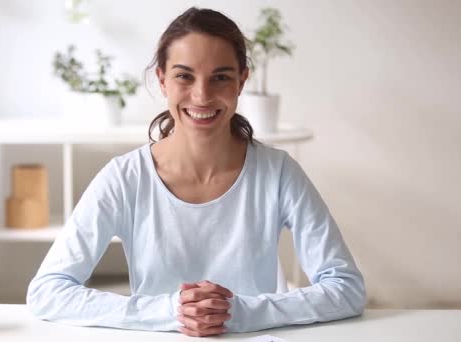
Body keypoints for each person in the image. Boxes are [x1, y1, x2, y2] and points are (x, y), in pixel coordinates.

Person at [27, 7, 365, 337]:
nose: (202, 96)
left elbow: (346, 287)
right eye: (184, 76)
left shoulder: (278, 173)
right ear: (162, 79)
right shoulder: (124, 178)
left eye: (220, 77)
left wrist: (241, 312)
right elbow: (48, 291)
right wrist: (170, 312)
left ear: (241, 81)